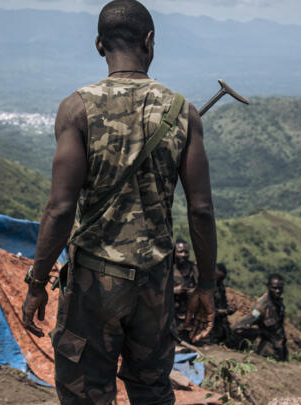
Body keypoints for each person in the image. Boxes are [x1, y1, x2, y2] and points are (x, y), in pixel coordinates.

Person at [19, 1, 217, 403]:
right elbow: (201, 209)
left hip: (93, 282)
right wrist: (206, 286)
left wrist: (37, 283)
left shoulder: (77, 109)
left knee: (86, 393)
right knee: (152, 390)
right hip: (155, 284)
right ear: (150, 42)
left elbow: (60, 209)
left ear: (98, 45)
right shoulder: (183, 112)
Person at [233, 273, 288, 361]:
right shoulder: (260, 308)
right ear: (268, 286)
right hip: (267, 354)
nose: (278, 291)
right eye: (274, 288)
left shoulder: (278, 304)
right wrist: (260, 332)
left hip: (280, 351)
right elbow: (239, 326)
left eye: (280, 288)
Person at [173, 239, 198, 338]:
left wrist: (193, 291)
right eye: (180, 252)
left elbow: (201, 285)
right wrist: (174, 291)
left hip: (191, 310)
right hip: (172, 311)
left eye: (186, 252)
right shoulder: (167, 268)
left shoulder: (193, 267)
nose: (183, 255)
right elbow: (157, 291)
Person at [208, 263, 236, 345]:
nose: (219, 282)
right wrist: (224, 311)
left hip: (220, 325)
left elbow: (223, 303)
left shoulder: (220, 286)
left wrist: (229, 309)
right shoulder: (205, 288)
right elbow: (206, 310)